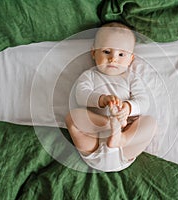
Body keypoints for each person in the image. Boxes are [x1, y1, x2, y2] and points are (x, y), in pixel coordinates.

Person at [65, 22, 157, 172]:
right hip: (93, 142)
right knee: (72, 118)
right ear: (93, 52)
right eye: (107, 51)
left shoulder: (131, 78)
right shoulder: (90, 75)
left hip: (124, 146)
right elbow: (80, 95)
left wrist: (128, 108)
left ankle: (121, 136)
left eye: (121, 54)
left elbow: (144, 101)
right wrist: (101, 100)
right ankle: (110, 123)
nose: (113, 59)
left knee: (150, 123)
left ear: (131, 59)